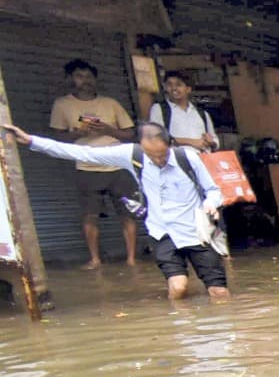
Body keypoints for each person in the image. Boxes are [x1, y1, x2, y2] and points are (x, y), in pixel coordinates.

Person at [6, 121, 227, 300]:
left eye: (162, 155)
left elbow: (213, 190)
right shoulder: (132, 154)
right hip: (163, 233)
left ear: (170, 144)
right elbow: (82, 153)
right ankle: (184, 333)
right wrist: (31, 141)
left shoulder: (187, 157)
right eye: (152, 156)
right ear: (141, 147)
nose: (158, 160)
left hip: (197, 233)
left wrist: (211, 203)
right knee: (178, 289)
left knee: (219, 293)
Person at [48, 59, 137, 268]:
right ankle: (95, 259)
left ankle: (132, 258)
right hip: (86, 165)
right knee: (90, 215)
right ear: (70, 79)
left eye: (89, 76)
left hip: (118, 165)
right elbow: (57, 137)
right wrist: (79, 133)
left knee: (127, 213)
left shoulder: (111, 103)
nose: (85, 81)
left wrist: (108, 130)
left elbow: (130, 133)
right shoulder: (62, 105)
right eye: (79, 76)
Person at [149, 72, 218, 152]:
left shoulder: (202, 113)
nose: (173, 88)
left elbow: (215, 141)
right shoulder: (159, 109)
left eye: (178, 85)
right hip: (177, 160)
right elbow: (157, 137)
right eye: (169, 85)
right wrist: (192, 142)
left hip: (202, 159)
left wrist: (211, 142)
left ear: (188, 89)